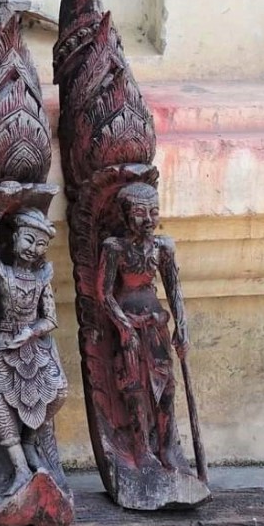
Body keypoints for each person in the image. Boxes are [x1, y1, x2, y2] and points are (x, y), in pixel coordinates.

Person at [0, 206, 67, 495]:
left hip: (31, 344)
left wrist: (31, 331)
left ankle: (29, 441)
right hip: (3, 344)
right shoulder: (5, 273)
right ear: (14, 239)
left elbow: (50, 319)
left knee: (59, 392)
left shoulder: (42, 278)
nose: (33, 248)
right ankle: (20, 468)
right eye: (28, 239)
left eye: (41, 244)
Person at [100, 181, 188, 469]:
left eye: (154, 212)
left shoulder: (163, 247)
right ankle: (142, 449)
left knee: (166, 386)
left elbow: (174, 290)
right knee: (134, 388)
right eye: (139, 213)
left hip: (155, 325)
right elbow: (104, 294)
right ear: (125, 215)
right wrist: (124, 327)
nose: (148, 219)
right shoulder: (115, 248)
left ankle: (167, 446)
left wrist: (181, 328)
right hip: (130, 327)